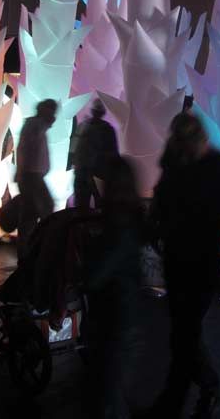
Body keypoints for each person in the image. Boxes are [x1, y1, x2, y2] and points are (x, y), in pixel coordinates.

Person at [142, 112, 220, 419]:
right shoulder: (182, 161)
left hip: (201, 264)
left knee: (184, 334)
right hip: (179, 260)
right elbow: (163, 198)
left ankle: (176, 402)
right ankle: (201, 390)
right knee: (183, 334)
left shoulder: (217, 168)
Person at [84, 155, 144, 419]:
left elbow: (99, 273)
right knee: (113, 386)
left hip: (115, 315)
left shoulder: (118, 225)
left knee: (110, 390)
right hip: (124, 311)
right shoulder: (130, 219)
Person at [16, 99, 58, 260]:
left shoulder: (35, 125)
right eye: (52, 112)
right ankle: (30, 251)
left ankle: (30, 250)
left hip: (32, 175)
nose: (54, 116)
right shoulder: (35, 125)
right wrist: (21, 173)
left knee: (32, 212)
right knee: (34, 212)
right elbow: (26, 149)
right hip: (31, 176)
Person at [73, 100, 119, 209]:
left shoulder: (86, 126)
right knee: (90, 202)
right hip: (90, 171)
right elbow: (113, 152)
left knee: (88, 202)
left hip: (92, 171)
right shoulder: (106, 129)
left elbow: (76, 148)